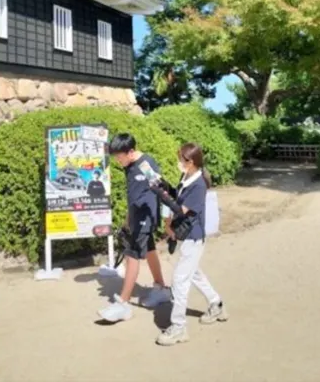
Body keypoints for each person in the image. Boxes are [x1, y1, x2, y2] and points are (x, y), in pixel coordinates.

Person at [150, 142, 228, 346]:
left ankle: (178, 327)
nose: (178, 163)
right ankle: (215, 303)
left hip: (193, 237)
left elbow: (181, 209)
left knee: (179, 281)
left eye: (181, 159)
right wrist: (165, 186)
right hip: (187, 237)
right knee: (193, 273)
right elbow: (178, 195)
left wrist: (162, 196)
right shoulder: (188, 176)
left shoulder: (199, 183)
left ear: (190, 162)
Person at [98, 133, 171, 322]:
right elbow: (132, 195)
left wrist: (166, 219)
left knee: (132, 256)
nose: (118, 161)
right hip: (136, 217)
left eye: (119, 157)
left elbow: (162, 191)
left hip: (145, 218)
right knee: (150, 250)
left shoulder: (147, 165)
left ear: (130, 152)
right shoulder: (129, 166)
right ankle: (161, 288)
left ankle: (123, 303)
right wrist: (127, 218)